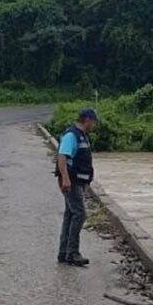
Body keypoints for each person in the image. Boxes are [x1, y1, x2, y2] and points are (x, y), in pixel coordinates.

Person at [56, 108, 98, 267]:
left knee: (70, 214)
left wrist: (86, 184)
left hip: (77, 182)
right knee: (79, 214)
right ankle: (72, 253)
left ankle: (64, 252)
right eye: (94, 121)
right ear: (87, 119)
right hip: (71, 181)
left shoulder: (82, 136)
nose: (94, 125)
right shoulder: (71, 135)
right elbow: (62, 156)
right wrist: (65, 179)